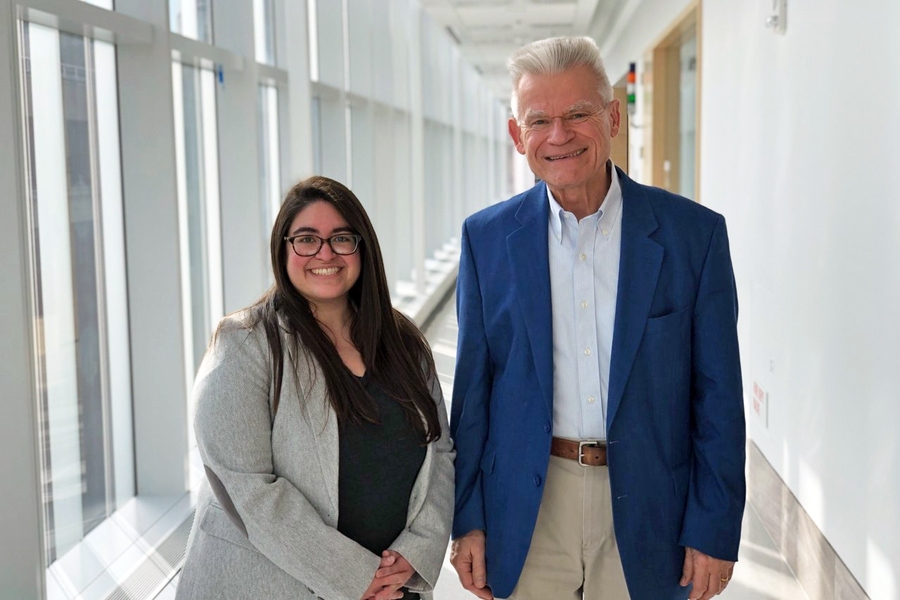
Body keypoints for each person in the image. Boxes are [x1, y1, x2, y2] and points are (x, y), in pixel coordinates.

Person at [449, 37, 745, 600]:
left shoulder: (693, 236)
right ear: (517, 136)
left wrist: (714, 526)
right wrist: (467, 520)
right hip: (528, 505)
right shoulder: (485, 240)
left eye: (578, 113)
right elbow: (472, 398)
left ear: (612, 118)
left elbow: (718, 397)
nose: (559, 135)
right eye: (539, 121)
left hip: (652, 501)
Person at [176, 176, 455, 600]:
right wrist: (355, 577)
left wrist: (417, 552)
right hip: (275, 587)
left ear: (362, 248)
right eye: (306, 239)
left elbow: (441, 452)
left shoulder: (403, 342)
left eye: (341, 238)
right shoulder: (244, 345)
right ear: (283, 249)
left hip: (395, 587)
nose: (325, 253)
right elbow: (246, 487)